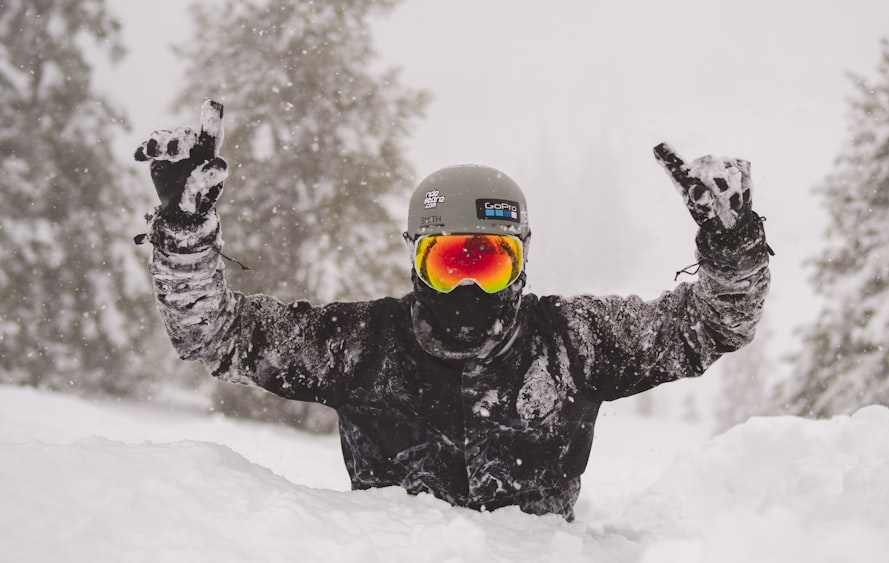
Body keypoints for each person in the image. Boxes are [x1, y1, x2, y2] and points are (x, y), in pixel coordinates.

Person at [135, 100, 771, 521]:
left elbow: (711, 325)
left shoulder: (571, 341)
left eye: (488, 262)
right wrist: (185, 229)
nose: (468, 290)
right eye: (450, 263)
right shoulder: (363, 345)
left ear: (522, 263)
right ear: (416, 262)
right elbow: (215, 335)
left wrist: (732, 244)